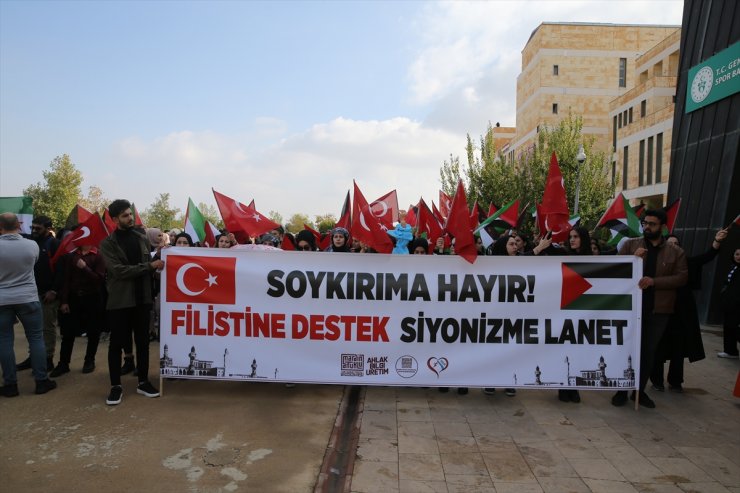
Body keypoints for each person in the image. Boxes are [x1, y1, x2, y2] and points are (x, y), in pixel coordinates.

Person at [612, 209, 688, 409]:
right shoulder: (630, 245)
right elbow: (616, 271)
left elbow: (681, 278)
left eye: (652, 224)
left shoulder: (676, 252)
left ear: (662, 227)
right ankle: (621, 389)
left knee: (648, 352)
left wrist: (654, 281)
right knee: (626, 349)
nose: (647, 227)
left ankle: (639, 391)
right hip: (630, 310)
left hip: (658, 310)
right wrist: (633, 260)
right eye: (645, 223)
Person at [100, 200, 163, 405]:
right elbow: (118, 271)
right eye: (125, 215)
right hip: (120, 301)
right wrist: (150, 266)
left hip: (142, 299)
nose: (130, 218)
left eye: (130, 214)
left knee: (143, 342)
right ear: (115, 219)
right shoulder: (107, 244)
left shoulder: (141, 238)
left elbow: (149, 264)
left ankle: (143, 381)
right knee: (116, 344)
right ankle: (115, 386)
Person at [651, 229, 728, 389]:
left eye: (676, 244)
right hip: (660, 311)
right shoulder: (655, 262)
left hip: (681, 314)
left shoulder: (688, 263)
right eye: (670, 244)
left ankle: (675, 380)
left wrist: (717, 241)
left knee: (679, 348)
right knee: (658, 347)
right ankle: (656, 380)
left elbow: (708, 255)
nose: (673, 247)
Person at [0, 213, 57, 396]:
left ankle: (10, 384)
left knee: (5, 341)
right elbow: (35, 263)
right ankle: (41, 381)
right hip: (28, 297)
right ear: (19, 225)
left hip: (2, 299)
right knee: (36, 338)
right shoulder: (31, 245)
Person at [49, 243, 106, 376]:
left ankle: (89, 360)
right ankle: (63, 363)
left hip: (93, 297)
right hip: (73, 298)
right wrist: (64, 301)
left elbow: (99, 279)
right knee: (68, 332)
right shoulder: (71, 256)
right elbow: (66, 279)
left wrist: (85, 268)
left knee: (93, 331)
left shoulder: (98, 256)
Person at [16, 215, 60, 371]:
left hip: (48, 295)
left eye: (38, 228)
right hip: (30, 293)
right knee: (33, 329)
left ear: (48, 229)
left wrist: (54, 290)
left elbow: (61, 270)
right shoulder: (29, 241)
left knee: (47, 327)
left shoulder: (54, 244)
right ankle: (33, 357)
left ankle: (47, 359)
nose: (34, 230)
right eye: (32, 227)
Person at [558, 226, 593, 403]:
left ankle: (574, 387)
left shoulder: (594, 260)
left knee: (578, 350)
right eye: (570, 237)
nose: (572, 240)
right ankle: (563, 387)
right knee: (565, 348)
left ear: (584, 239)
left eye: (576, 237)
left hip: (585, 311)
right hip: (566, 310)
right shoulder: (564, 256)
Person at [718, 247, 740, 359]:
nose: (738, 256)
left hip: (736, 305)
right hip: (729, 303)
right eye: (737, 254)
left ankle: (731, 351)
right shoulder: (733, 267)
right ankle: (730, 351)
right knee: (728, 326)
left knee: (733, 327)